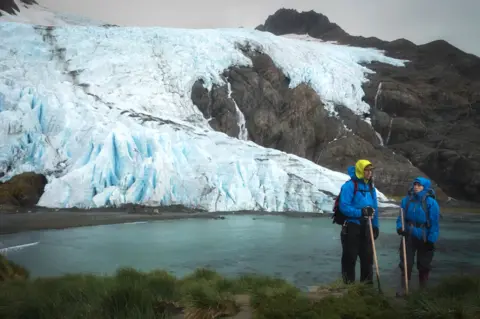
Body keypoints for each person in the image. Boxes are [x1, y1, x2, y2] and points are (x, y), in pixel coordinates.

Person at [396, 176, 440, 296]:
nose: (416, 187)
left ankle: (423, 291)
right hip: (409, 234)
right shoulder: (407, 200)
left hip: (424, 236)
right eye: (415, 184)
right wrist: (400, 228)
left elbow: (434, 223)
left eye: (419, 185)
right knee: (406, 263)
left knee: (424, 264)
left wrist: (431, 240)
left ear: (424, 187)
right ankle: (404, 289)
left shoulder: (431, 203)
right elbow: (401, 217)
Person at [338, 159, 379, 284]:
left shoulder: (371, 187)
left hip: (367, 227)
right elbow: (344, 206)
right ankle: (348, 287)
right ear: (360, 170)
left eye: (370, 170)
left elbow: (375, 209)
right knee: (350, 258)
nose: (369, 173)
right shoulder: (349, 186)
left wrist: (376, 226)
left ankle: (366, 289)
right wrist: (361, 212)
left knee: (367, 259)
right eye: (366, 170)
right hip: (352, 226)